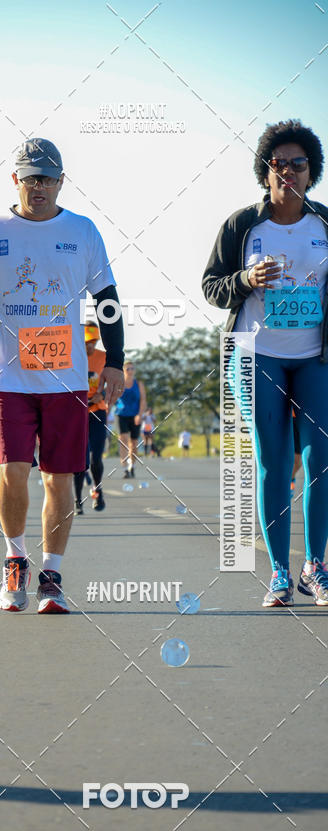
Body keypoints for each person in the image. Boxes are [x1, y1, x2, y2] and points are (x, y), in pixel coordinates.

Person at [0, 137, 124, 613]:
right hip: (8, 379)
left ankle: (51, 575)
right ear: (16, 180)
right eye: (31, 179)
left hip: (65, 380)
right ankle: (15, 559)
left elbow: (107, 299)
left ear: (61, 181)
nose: (40, 187)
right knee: (11, 472)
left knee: (58, 479)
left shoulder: (83, 231)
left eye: (48, 179)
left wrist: (114, 359)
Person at [203, 119, 328, 606]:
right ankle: (279, 572)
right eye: (279, 163)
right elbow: (212, 287)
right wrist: (246, 280)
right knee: (273, 462)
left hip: (316, 357)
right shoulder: (242, 225)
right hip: (257, 355)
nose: (289, 171)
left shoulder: (324, 224)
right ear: (266, 170)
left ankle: (316, 567)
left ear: (311, 171)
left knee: (320, 460)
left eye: (299, 163)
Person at [73, 322, 110, 514]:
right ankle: (78, 500)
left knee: (96, 458)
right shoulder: (72, 356)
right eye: (88, 342)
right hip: (77, 413)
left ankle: (97, 490)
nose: (90, 346)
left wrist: (101, 395)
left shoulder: (103, 357)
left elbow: (113, 384)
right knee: (80, 459)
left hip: (97, 411)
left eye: (94, 342)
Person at [116, 360, 147, 478]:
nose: (130, 371)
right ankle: (125, 468)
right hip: (121, 415)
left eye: (132, 368)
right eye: (128, 369)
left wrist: (140, 414)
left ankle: (132, 466)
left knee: (133, 443)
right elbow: (113, 398)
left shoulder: (138, 384)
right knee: (123, 439)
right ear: (123, 370)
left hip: (135, 416)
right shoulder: (119, 383)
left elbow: (143, 400)